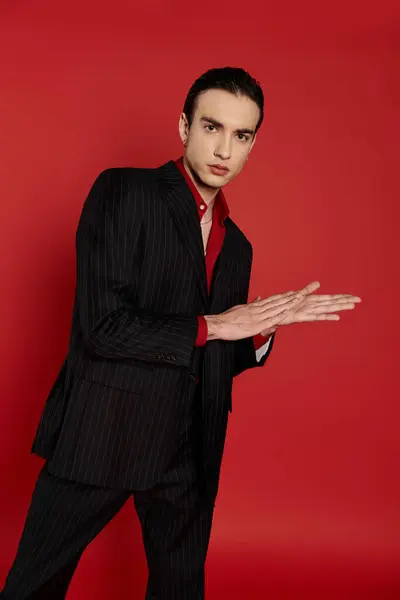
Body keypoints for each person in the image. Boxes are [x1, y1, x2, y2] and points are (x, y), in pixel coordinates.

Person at [0, 66, 361, 600]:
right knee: (34, 586)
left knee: (181, 590)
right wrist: (218, 324)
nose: (224, 149)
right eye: (211, 128)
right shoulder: (124, 191)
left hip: (190, 446)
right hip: (104, 431)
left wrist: (260, 330)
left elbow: (215, 354)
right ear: (183, 127)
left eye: (241, 136)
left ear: (252, 146)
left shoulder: (237, 247)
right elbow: (103, 327)